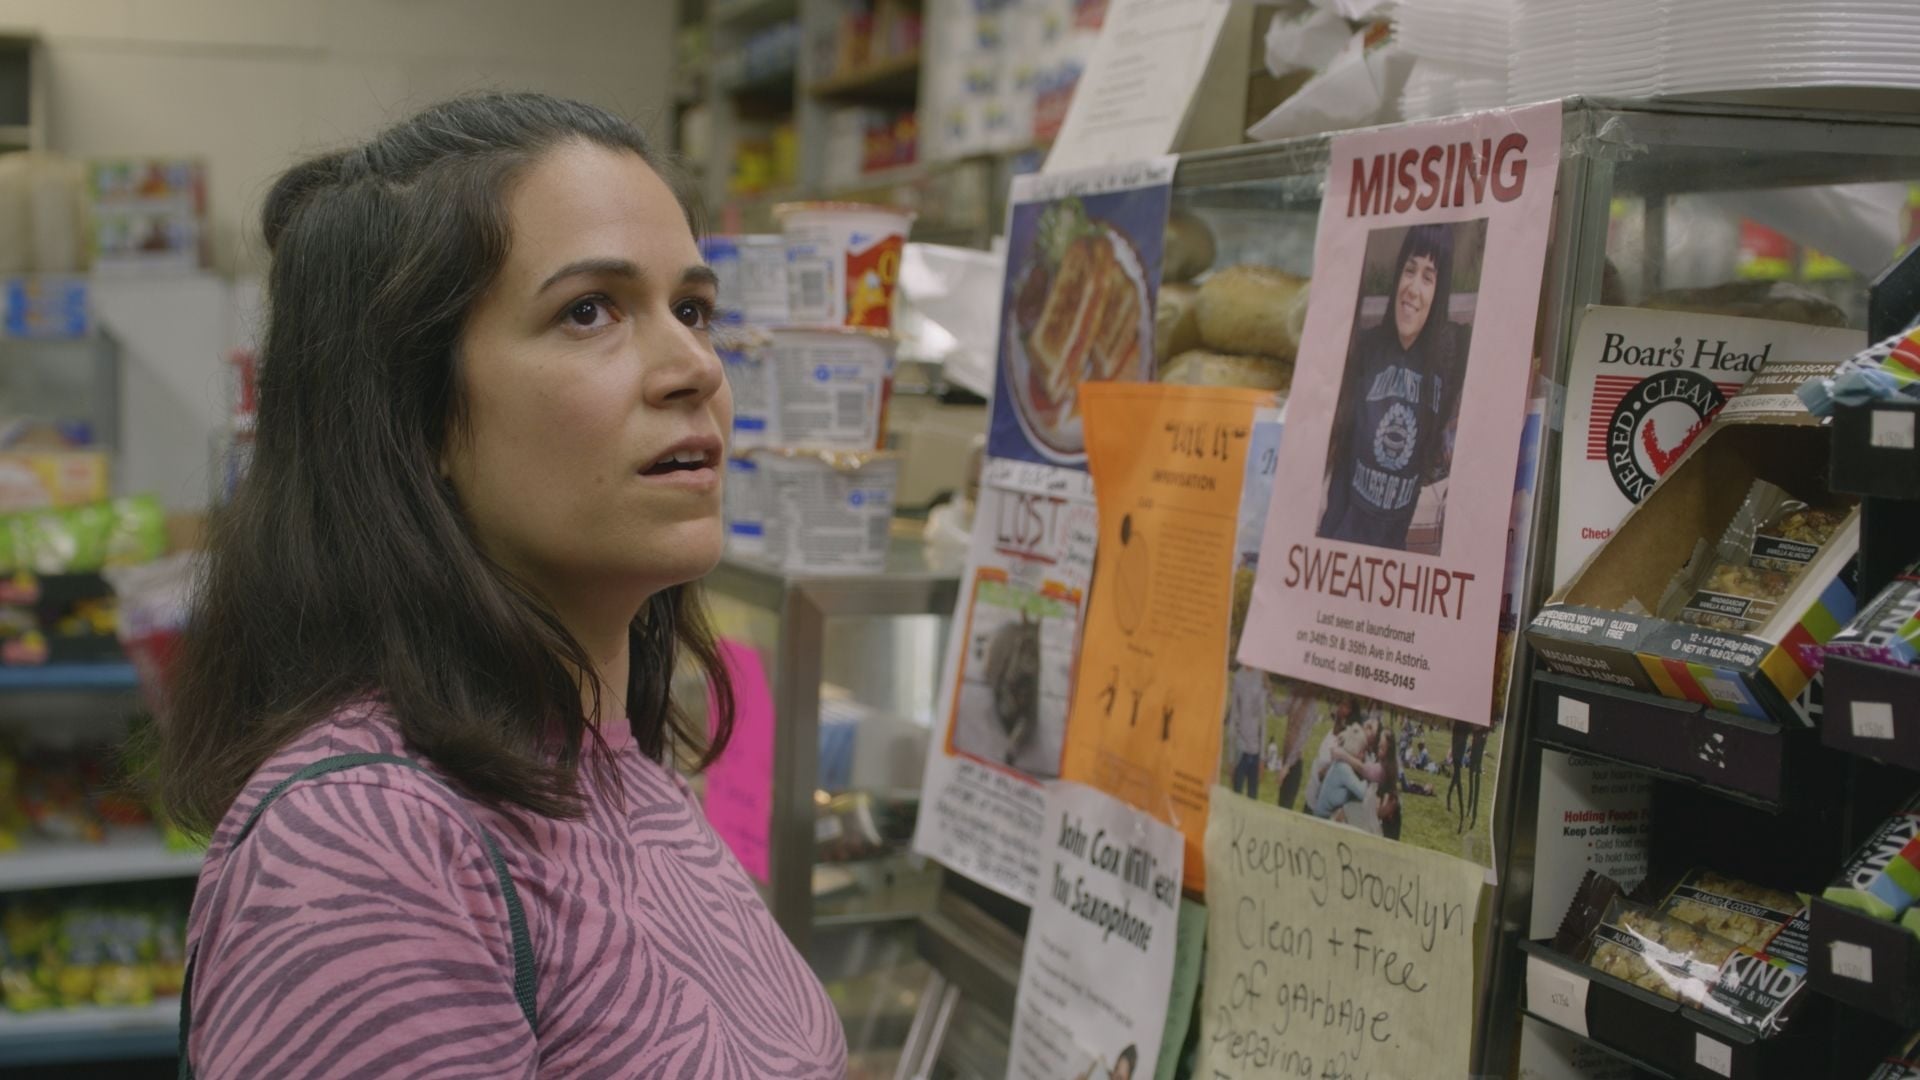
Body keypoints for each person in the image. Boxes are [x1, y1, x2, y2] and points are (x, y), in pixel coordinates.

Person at [154, 93, 845, 1077]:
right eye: (589, 311)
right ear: (416, 413)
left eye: (693, 309)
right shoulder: (368, 844)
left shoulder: (611, 764)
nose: (694, 367)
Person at [1319, 224, 1464, 550]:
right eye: (1409, 270)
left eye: (1428, 277)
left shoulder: (1446, 364)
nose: (1412, 288)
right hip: (1341, 542)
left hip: (1393, 555)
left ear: (1439, 293)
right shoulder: (1365, 350)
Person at [1228, 663, 1270, 797]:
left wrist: (1262, 758)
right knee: (1236, 797)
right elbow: (1233, 718)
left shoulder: (1261, 675)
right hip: (1241, 752)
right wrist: (1231, 759)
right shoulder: (1238, 677)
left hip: (1256, 754)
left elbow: (1263, 722)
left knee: (1252, 798)